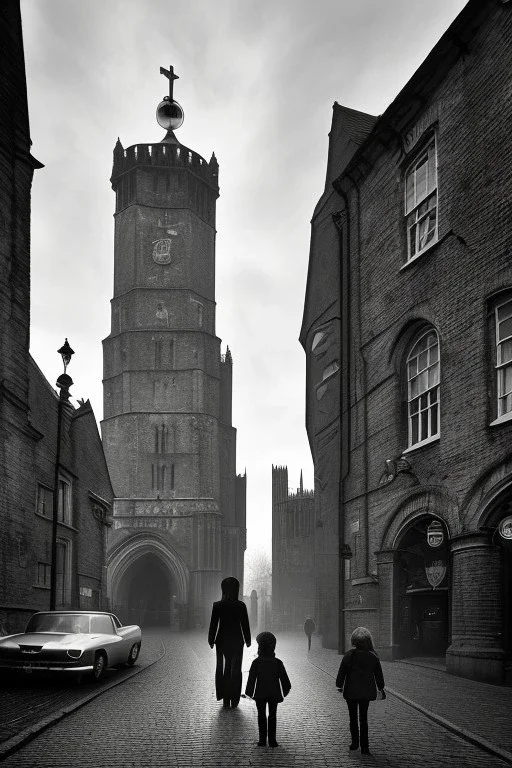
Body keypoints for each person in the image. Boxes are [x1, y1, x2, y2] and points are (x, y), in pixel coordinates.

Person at [335, 626, 385, 756]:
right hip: (365, 692)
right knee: (364, 719)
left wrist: (339, 685)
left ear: (354, 641)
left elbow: (342, 673)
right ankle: (365, 746)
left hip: (351, 692)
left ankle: (355, 743)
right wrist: (381, 687)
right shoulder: (373, 657)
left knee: (353, 718)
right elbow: (379, 676)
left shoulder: (349, 655)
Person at [208, 576, 251, 708]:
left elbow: (213, 624)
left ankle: (225, 697)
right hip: (237, 640)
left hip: (221, 641)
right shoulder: (241, 606)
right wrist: (248, 639)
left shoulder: (218, 605)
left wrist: (211, 639)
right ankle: (234, 698)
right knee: (236, 669)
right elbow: (245, 624)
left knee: (223, 668)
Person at [245, 631, 291, 748]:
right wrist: (285, 690)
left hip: (260, 693)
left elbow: (251, 680)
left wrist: (249, 692)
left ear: (260, 647)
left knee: (261, 715)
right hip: (274, 693)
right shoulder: (278, 663)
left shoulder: (256, 662)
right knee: (272, 715)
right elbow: (285, 681)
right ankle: (272, 740)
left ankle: (262, 740)